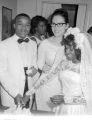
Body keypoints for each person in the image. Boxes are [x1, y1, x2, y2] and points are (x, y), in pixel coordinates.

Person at [26, 8, 69, 112]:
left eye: (60, 24)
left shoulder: (72, 44)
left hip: (66, 88)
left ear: (67, 25)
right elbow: (38, 67)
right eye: (53, 24)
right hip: (47, 86)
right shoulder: (45, 43)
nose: (55, 27)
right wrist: (38, 69)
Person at [49, 27, 92, 115]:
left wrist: (65, 99)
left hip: (77, 110)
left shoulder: (87, 69)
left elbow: (88, 98)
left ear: (79, 50)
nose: (67, 52)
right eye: (66, 48)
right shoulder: (66, 64)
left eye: (71, 49)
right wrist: (60, 97)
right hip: (62, 107)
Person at [0, 13, 38, 110]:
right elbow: (2, 73)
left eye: (27, 25)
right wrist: (15, 93)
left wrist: (35, 69)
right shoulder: (3, 45)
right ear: (14, 26)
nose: (24, 28)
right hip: (10, 95)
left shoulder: (33, 44)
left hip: (28, 93)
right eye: (20, 24)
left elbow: (35, 64)